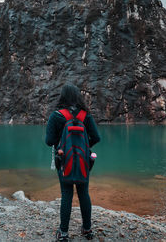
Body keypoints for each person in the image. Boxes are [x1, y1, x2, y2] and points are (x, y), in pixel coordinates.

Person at [45, 84, 101, 241]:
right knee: (84, 193)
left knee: (66, 194)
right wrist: (83, 146)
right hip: (84, 160)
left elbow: (49, 141)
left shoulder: (56, 116)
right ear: (78, 97)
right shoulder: (85, 115)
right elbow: (97, 137)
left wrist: (62, 145)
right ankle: (87, 229)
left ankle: (63, 233)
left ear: (62, 96)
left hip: (63, 159)